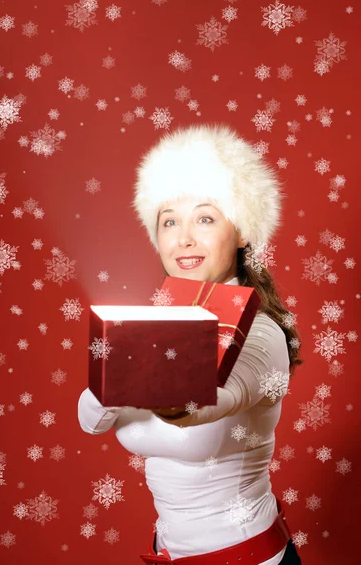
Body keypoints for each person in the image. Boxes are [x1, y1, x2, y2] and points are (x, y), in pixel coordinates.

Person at [78, 123, 303, 564]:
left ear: (241, 232)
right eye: (169, 221)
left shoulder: (263, 333)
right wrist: (120, 376)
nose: (183, 239)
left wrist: (144, 384)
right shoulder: (158, 325)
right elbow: (90, 419)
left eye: (205, 217)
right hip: (168, 554)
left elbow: (215, 401)